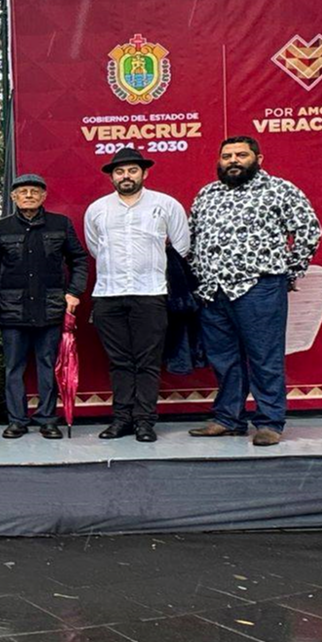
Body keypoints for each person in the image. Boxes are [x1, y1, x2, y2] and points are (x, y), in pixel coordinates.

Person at [186, 136, 322, 446]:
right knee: (224, 359)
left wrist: (289, 272)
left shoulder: (279, 189)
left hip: (258, 287)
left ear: (258, 159)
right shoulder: (207, 194)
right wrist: (200, 275)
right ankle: (228, 419)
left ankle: (269, 421)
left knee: (265, 357)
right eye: (227, 156)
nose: (233, 160)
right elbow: (193, 239)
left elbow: (309, 230)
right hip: (213, 292)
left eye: (241, 155)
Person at [82, 147, 191, 443]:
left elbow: (180, 247)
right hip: (108, 294)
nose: (125, 176)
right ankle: (121, 420)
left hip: (151, 293)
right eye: (119, 171)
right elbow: (95, 249)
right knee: (119, 361)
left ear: (145, 173)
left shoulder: (166, 205)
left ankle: (144, 421)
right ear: (111, 177)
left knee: (147, 361)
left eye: (132, 170)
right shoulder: (97, 209)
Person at [0, 174, 89, 439]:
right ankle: (17, 420)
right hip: (12, 311)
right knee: (14, 367)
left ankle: (47, 419)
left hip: (51, 309)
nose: (29, 196)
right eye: (22, 191)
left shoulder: (60, 224)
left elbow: (79, 259)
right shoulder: (0, 228)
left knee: (48, 364)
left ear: (44, 196)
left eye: (35, 191)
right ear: (13, 197)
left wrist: (74, 292)